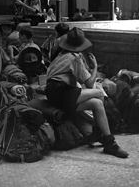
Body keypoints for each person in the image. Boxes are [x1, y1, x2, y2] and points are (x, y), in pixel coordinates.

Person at [45, 27, 129, 158]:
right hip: (61, 92)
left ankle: (107, 140)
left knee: (96, 104)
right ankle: (102, 137)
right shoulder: (75, 58)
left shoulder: (61, 56)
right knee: (99, 93)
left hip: (54, 93)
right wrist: (95, 67)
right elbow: (89, 83)